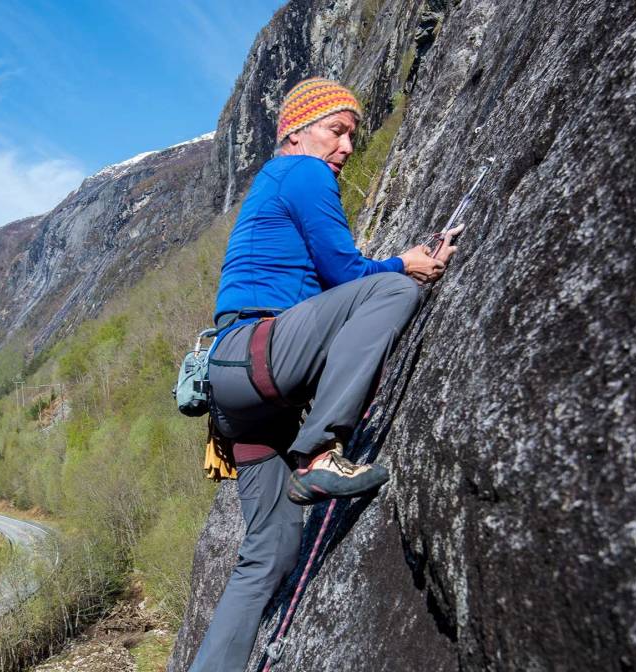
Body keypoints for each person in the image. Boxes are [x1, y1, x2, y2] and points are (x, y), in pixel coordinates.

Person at [188, 77, 459, 672]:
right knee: (390, 289)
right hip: (258, 354)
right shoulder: (303, 173)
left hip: (241, 392)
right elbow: (345, 272)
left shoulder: (276, 183)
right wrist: (406, 264)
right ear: (296, 131)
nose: (345, 147)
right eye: (337, 130)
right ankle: (320, 453)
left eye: (353, 137)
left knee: (268, 552)